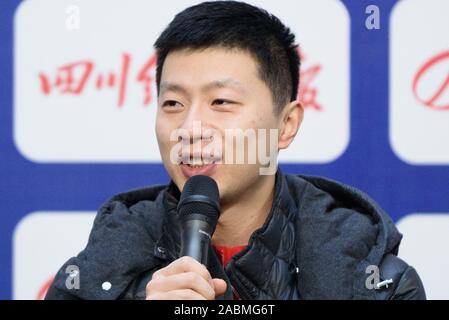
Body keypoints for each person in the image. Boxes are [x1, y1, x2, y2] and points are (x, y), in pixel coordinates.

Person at [45, 1, 425, 300]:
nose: (191, 129)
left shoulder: (378, 284)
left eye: (221, 102)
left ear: (286, 125)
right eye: (173, 104)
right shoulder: (92, 280)